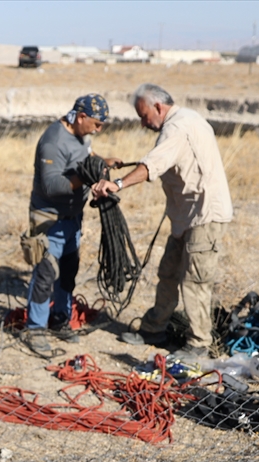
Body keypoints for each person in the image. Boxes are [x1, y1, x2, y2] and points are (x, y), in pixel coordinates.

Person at [91, 83, 233, 362]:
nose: (143, 123)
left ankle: (199, 344)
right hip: (186, 217)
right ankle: (154, 329)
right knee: (168, 272)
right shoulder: (188, 119)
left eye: (144, 116)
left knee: (195, 281)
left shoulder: (177, 127)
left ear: (158, 107)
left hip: (204, 216)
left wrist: (117, 184)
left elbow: (153, 164)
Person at [19, 93, 117, 356]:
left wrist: (102, 162)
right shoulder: (53, 141)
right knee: (46, 273)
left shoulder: (82, 135)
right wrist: (84, 177)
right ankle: (35, 328)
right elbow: (51, 186)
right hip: (49, 219)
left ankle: (60, 319)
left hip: (72, 218)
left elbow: (86, 154)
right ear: (81, 117)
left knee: (68, 270)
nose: (98, 130)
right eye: (96, 124)